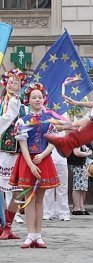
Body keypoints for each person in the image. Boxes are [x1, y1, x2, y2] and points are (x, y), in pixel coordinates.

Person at [9, 82, 60, 248]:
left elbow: (53, 142)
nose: (37, 99)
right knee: (28, 199)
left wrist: (43, 155)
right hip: (27, 161)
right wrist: (31, 164)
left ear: (44, 99)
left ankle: (38, 235)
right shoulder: (22, 121)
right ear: (28, 100)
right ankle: (30, 234)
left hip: (44, 160)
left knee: (39, 199)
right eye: (34, 97)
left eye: (40, 97)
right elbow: (22, 145)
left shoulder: (50, 119)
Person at [0, 68, 27, 240]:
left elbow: (11, 118)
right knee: (3, 190)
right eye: (10, 81)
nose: (12, 83)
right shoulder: (4, 100)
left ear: (21, 85)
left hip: (17, 150)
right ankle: (3, 225)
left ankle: (7, 225)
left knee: (18, 190)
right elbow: (6, 118)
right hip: (3, 150)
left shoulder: (19, 102)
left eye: (15, 81)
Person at [43, 139, 71, 221]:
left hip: (62, 160)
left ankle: (63, 213)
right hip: (48, 158)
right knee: (48, 188)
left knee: (62, 187)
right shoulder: (48, 127)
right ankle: (48, 213)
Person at [67, 144, 93, 215]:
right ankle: (76, 207)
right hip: (78, 165)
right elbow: (77, 153)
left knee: (83, 187)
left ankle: (81, 206)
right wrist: (88, 153)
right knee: (77, 186)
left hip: (84, 165)